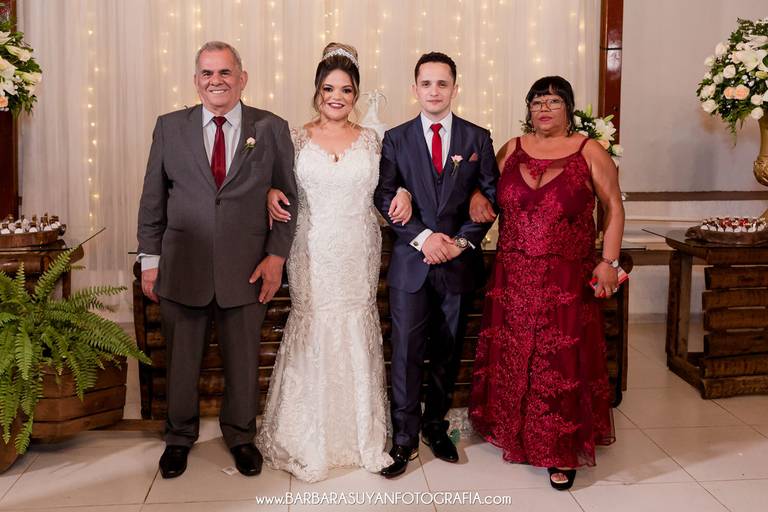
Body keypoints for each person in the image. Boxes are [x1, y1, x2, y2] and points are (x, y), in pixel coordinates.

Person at [137, 41, 298, 479]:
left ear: (242, 78)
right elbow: (153, 198)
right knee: (181, 361)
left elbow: (289, 197)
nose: (216, 81)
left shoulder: (270, 127)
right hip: (181, 265)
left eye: (225, 72)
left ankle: (241, 437)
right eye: (207, 73)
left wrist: (276, 256)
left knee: (243, 361)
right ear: (196, 81)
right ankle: (178, 438)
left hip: (247, 267)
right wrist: (150, 260)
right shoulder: (170, 127)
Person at [256, 43, 413, 483]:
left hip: (358, 248)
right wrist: (270, 192)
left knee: (354, 325)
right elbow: (273, 181)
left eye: (345, 89)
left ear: (356, 94)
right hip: (311, 249)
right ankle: (310, 439)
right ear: (317, 91)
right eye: (329, 88)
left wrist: (404, 193)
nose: (337, 97)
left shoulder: (374, 139)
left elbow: (391, 187)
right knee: (316, 326)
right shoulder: (294, 138)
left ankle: (362, 436)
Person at [468, 75, 622, 490]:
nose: (544, 108)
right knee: (515, 355)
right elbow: (483, 189)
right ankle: (514, 431)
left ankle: (559, 449)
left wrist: (608, 261)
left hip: (566, 278)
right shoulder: (511, 149)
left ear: (568, 108)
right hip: (513, 276)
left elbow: (613, 206)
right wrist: (477, 197)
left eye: (553, 101)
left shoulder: (589, 151)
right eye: (537, 102)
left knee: (559, 363)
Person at [373, 52, 499, 479]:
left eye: (442, 83)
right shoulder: (395, 139)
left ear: (455, 89)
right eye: (426, 83)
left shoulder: (477, 138)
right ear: (415, 89)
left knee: (447, 352)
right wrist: (424, 238)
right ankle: (403, 438)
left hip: (457, 265)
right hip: (412, 264)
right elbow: (384, 194)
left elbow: (490, 198)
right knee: (406, 353)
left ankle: (435, 426)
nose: (434, 91)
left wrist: (459, 243)